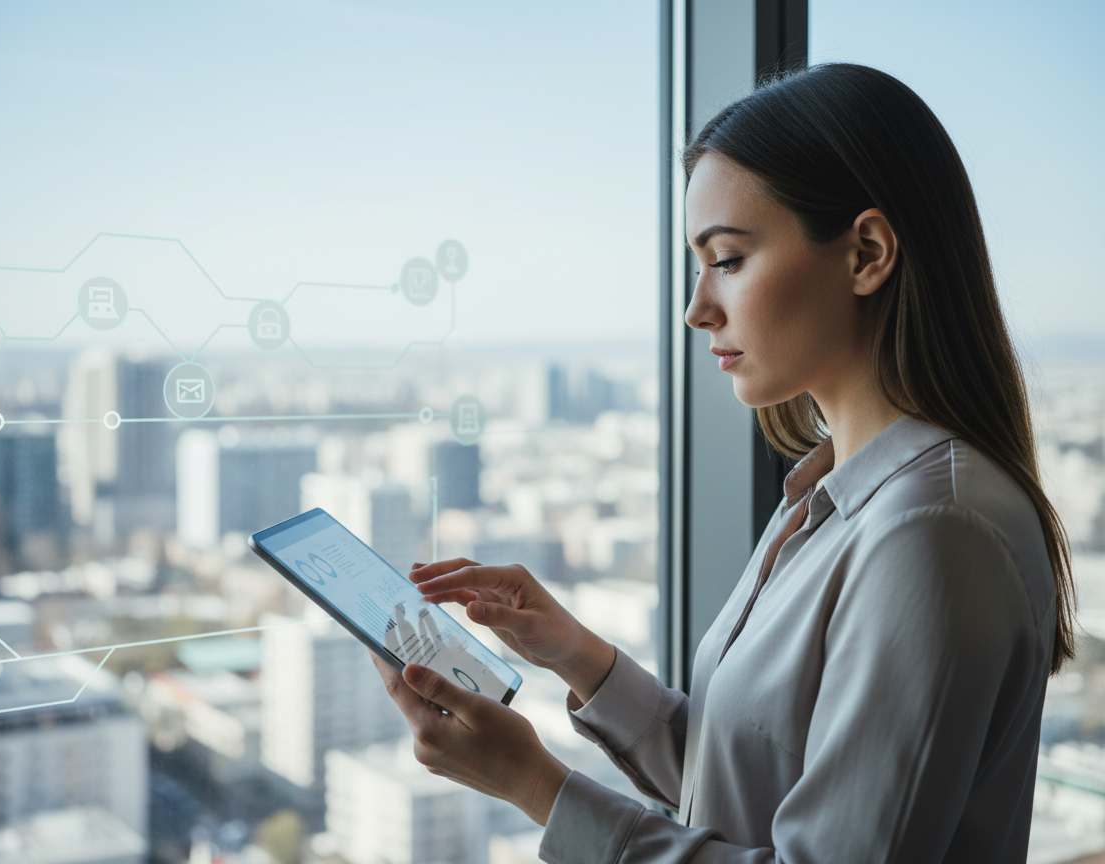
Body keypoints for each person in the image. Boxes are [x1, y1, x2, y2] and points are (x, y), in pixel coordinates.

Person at [371, 63, 1075, 863]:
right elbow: (749, 781)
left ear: (867, 253)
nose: (696, 309)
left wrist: (533, 783)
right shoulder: (830, 493)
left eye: (729, 260)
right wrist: (578, 656)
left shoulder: (930, 529)